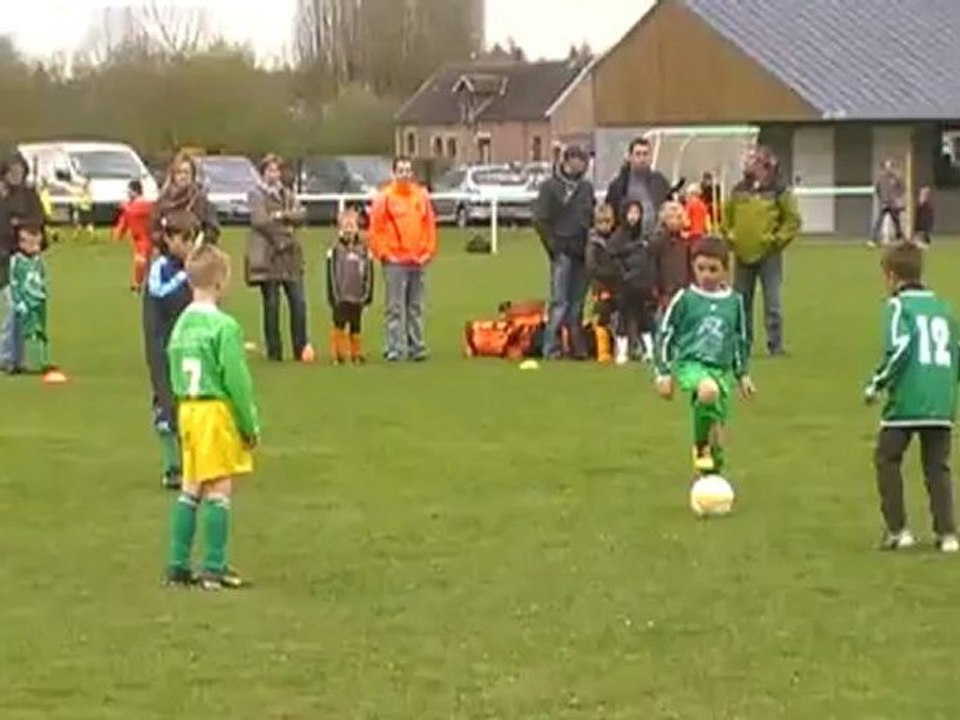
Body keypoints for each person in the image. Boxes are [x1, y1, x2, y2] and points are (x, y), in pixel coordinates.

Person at [164, 243, 260, 589]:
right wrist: (249, 424)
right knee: (219, 488)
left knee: (191, 487)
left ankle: (177, 563)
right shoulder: (224, 327)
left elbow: (172, 365)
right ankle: (214, 567)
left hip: (186, 408)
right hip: (213, 410)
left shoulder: (180, 325)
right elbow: (237, 381)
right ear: (221, 283)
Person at [864, 241, 958, 552]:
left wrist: (877, 383)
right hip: (941, 403)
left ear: (891, 277)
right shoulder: (944, 309)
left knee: (886, 458)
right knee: (937, 466)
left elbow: (901, 347)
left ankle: (898, 531)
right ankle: (947, 535)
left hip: (907, 400)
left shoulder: (897, 307)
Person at [655, 236, 755, 478]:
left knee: (717, 431)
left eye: (713, 269)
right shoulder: (685, 299)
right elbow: (666, 333)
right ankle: (700, 447)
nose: (706, 275)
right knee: (707, 391)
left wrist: (742, 375)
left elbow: (739, 340)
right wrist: (664, 373)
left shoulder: (734, 302)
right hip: (692, 364)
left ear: (725, 270)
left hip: (720, 370)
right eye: (701, 269)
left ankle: (712, 476)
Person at [722, 146, 801, 356]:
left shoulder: (779, 191)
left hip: (769, 255)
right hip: (742, 254)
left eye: (752, 160)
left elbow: (792, 220)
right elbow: (726, 217)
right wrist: (730, 236)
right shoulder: (738, 190)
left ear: (766, 165)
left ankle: (775, 345)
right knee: (741, 303)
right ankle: (742, 344)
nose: (747, 163)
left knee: (772, 302)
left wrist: (776, 240)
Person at [143, 210, 195, 490]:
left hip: (191, 347)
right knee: (165, 405)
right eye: (182, 239)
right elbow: (160, 295)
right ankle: (171, 465)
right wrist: (184, 276)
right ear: (168, 238)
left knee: (191, 404)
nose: (187, 246)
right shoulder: (159, 268)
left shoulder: (193, 266)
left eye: (191, 240)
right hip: (163, 344)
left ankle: (192, 463)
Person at [369, 155, 437, 362]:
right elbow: (376, 229)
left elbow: (429, 226)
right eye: (401, 171)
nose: (405, 174)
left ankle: (416, 346)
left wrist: (428, 251)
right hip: (395, 260)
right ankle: (394, 347)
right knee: (395, 307)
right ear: (394, 173)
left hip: (417, 259)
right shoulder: (384, 198)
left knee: (415, 306)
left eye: (408, 170)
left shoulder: (421, 196)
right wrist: (384, 253)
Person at [245, 154, 312, 363]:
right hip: (269, 256)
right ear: (263, 173)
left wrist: (282, 216)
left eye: (277, 170)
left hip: (290, 258)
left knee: (298, 303)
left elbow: (301, 214)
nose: (274, 175)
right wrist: (282, 237)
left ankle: (300, 348)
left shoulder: (288, 194)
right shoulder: (256, 195)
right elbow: (260, 221)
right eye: (270, 171)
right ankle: (274, 352)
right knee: (271, 305)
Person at [534, 144, 595, 360]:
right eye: (579, 160)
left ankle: (577, 348)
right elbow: (540, 219)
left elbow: (591, 217)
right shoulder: (550, 187)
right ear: (568, 161)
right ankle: (551, 347)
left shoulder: (586, 188)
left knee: (577, 303)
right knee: (559, 301)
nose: (582, 165)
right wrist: (553, 246)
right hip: (562, 252)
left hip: (582, 252)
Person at [0, 151, 45, 373]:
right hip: (3, 256)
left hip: (21, 261)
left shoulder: (29, 195)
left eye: (19, 170)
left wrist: (23, 226)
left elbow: (39, 220)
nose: (16, 175)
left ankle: (11, 357)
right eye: (12, 171)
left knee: (18, 308)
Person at [8, 219, 63, 381]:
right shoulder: (16, 260)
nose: (36, 248)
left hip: (38, 301)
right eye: (32, 244)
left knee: (40, 332)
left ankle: (43, 362)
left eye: (38, 244)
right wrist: (18, 301)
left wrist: (43, 292)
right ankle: (17, 362)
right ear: (22, 243)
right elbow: (14, 282)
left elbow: (42, 277)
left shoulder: (38, 260)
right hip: (24, 302)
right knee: (22, 332)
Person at [608, 199, 656, 363]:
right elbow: (613, 258)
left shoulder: (644, 236)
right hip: (625, 284)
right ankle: (622, 352)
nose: (634, 217)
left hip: (641, 284)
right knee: (623, 316)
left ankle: (649, 351)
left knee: (644, 317)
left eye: (637, 212)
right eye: (631, 212)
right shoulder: (618, 237)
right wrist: (624, 275)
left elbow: (648, 259)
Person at [326, 208, 374, 364]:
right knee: (339, 325)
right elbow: (331, 275)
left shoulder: (363, 251)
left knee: (356, 326)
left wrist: (367, 294)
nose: (348, 229)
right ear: (339, 229)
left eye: (351, 226)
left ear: (357, 228)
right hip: (341, 296)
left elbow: (368, 274)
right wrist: (333, 295)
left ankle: (356, 354)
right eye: (345, 226)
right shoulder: (335, 251)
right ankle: (338, 354)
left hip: (357, 297)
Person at [151, 151, 219, 249]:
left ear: (192, 175)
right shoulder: (162, 201)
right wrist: (168, 243)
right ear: (173, 175)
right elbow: (154, 229)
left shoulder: (201, 200)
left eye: (186, 172)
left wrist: (199, 244)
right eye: (179, 172)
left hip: (195, 255)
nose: (183, 176)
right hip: (167, 254)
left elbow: (212, 229)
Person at [605, 136, 672, 234]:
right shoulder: (618, 185)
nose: (642, 158)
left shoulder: (660, 181)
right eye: (638, 154)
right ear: (630, 157)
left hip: (655, 240)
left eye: (645, 154)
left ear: (650, 157)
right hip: (628, 241)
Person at [649, 201, 692, 310]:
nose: (674, 221)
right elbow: (653, 263)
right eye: (670, 217)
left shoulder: (686, 240)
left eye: (678, 217)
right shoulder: (658, 239)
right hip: (666, 291)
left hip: (684, 288)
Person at [114, 179, 154, 292]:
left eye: (129, 191)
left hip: (145, 237)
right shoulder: (131, 206)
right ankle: (141, 284)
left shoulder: (143, 204)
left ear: (135, 192)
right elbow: (125, 220)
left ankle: (140, 285)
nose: (128, 194)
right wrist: (119, 233)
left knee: (142, 262)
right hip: (137, 239)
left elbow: (133, 212)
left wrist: (125, 207)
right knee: (143, 262)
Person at [871, 159, 905, 246]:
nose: (888, 169)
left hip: (893, 204)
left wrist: (898, 198)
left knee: (896, 221)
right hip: (884, 203)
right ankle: (874, 239)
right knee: (879, 221)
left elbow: (902, 189)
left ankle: (899, 237)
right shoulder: (881, 178)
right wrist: (882, 199)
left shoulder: (896, 178)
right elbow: (877, 189)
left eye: (890, 167)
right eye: (887, 167)